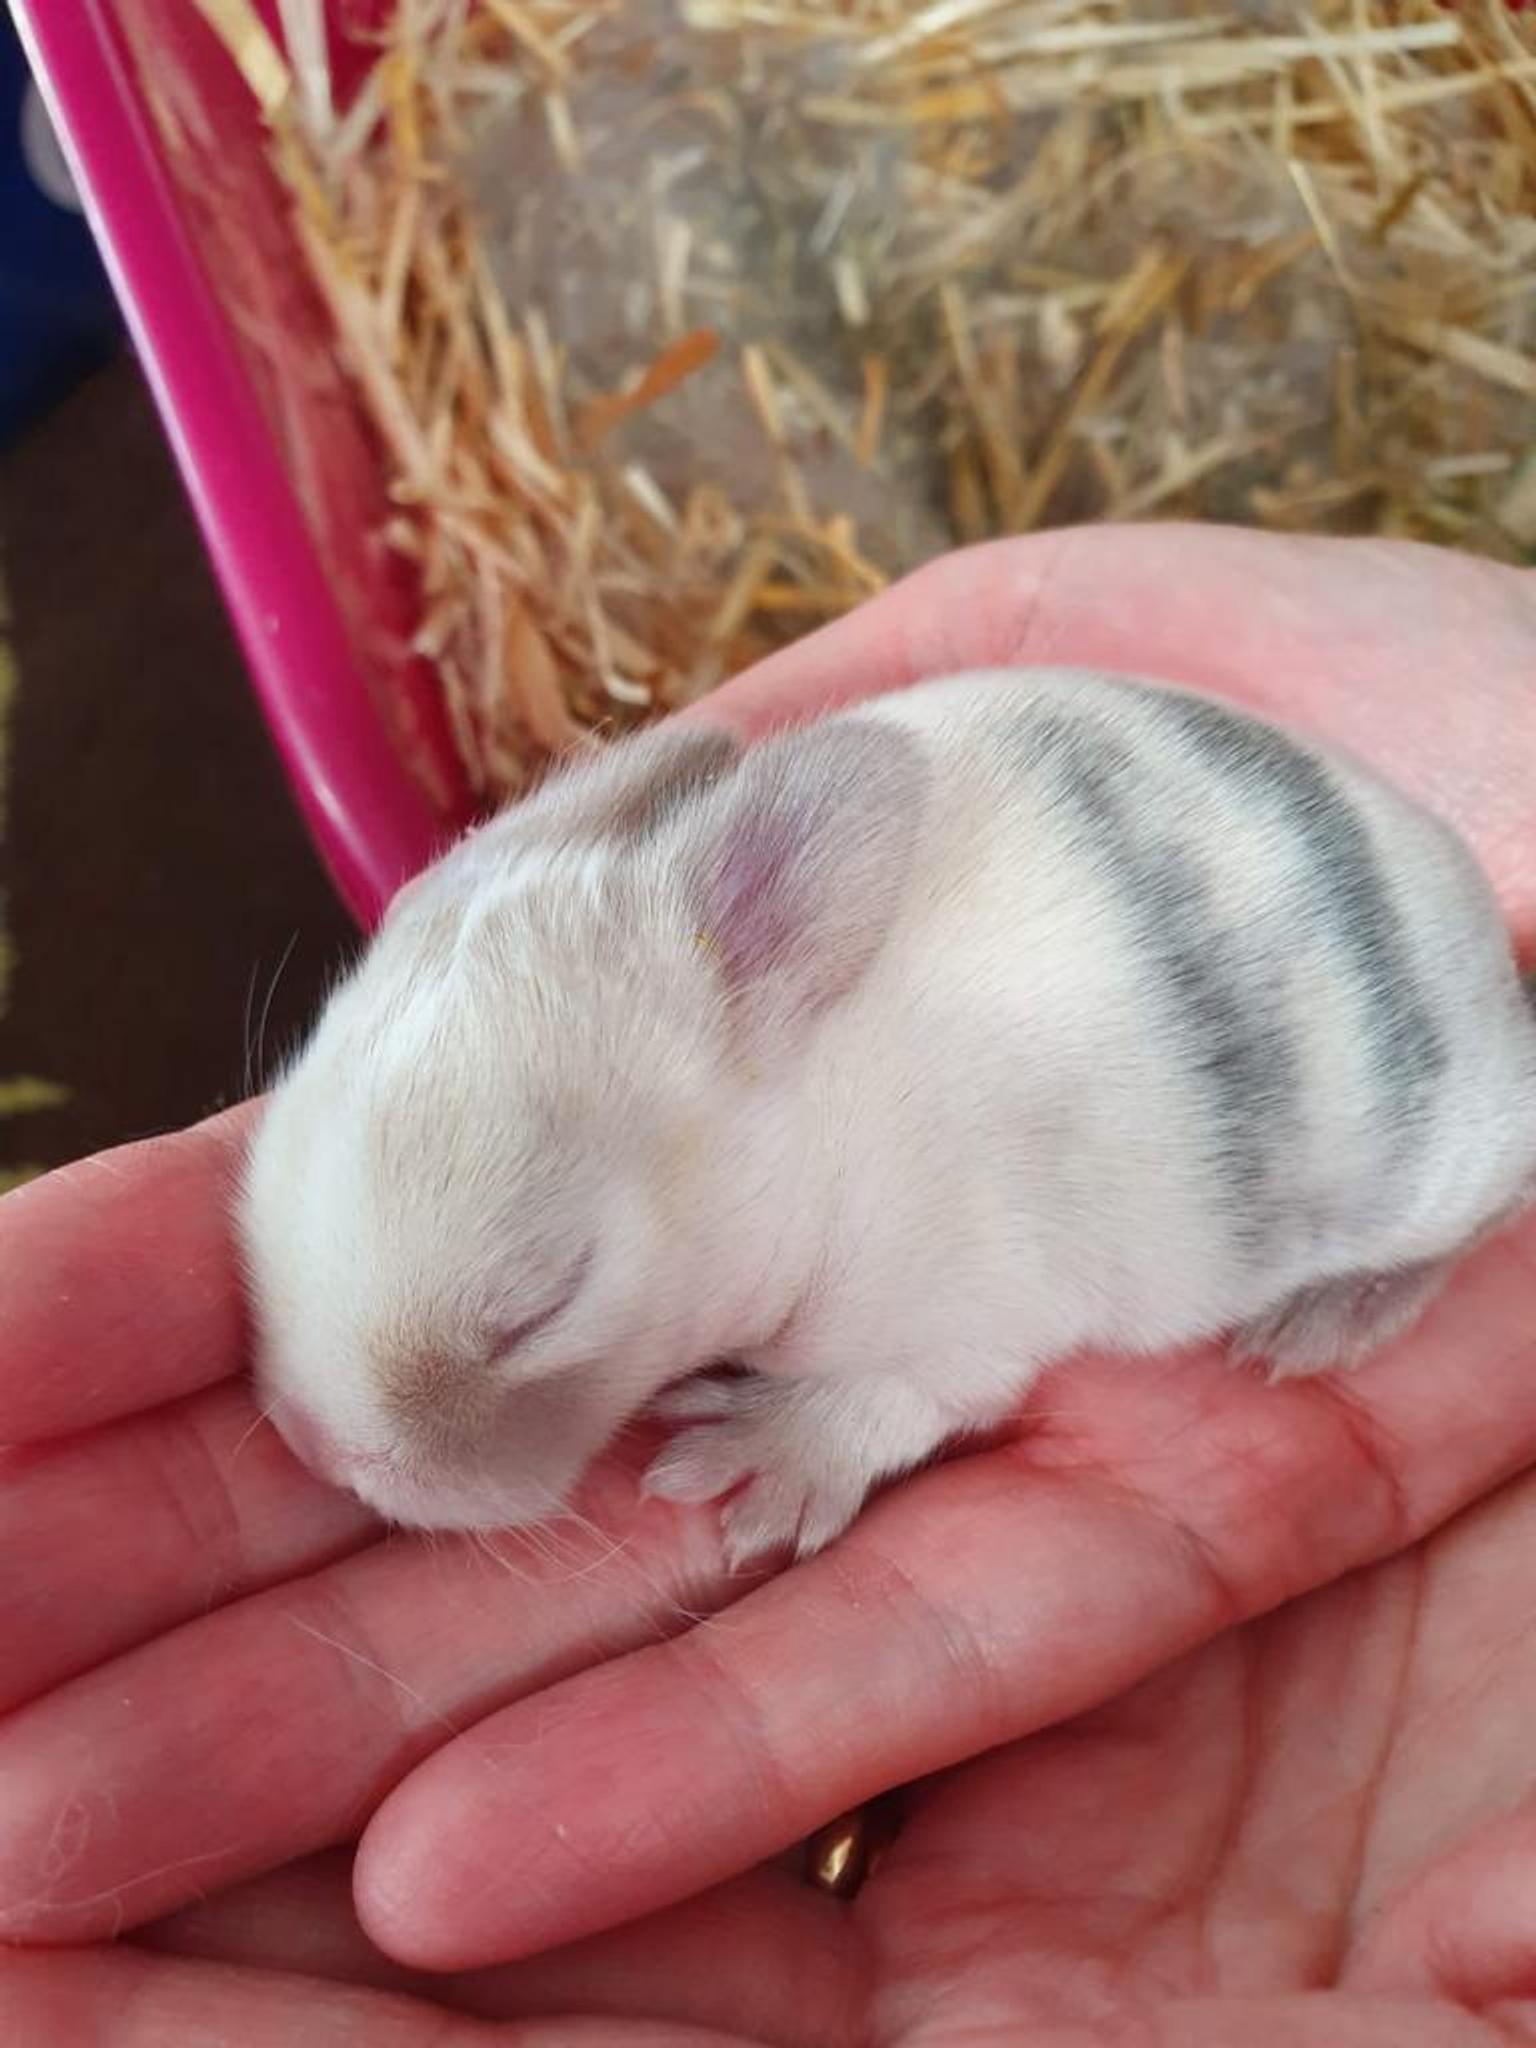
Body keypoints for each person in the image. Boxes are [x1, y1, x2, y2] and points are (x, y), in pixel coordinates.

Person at [3, 523, 1535, 2048]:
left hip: (1362, 1031)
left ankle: (1427, 1222)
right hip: (1186, 845)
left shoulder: (895, 1169)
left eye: (528, 1305)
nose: (327, 1435)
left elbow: (980, 1313)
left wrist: (843, 1419)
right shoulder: (641, 1023)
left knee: (1462, 1150)